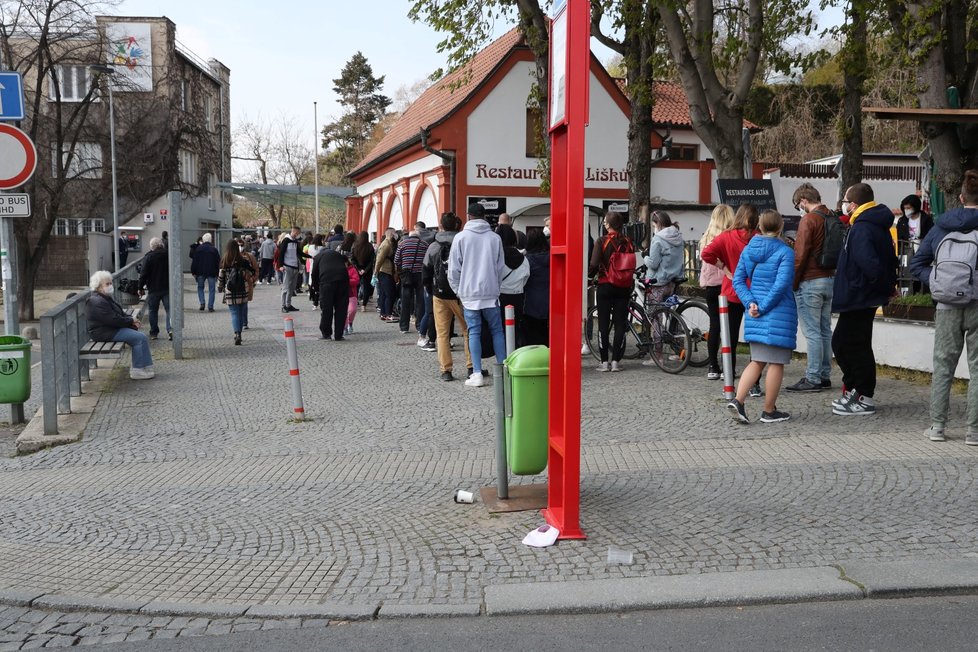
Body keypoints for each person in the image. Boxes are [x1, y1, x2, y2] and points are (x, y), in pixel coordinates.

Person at [910, 170, 978, 444]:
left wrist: (938, 282)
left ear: (961, 197)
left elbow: (917, 265)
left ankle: (937, 426)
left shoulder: (941, 226)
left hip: (947, 304)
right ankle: (974, 431)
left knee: (943, 366)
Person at [831, 182, 899, 416]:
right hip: (860, 295)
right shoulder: (868, 224)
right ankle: (854, 388)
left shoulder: (862, 227)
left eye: (846, 201)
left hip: (859, 296)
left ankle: (863, 394)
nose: (843, 205)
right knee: (844, 343)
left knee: (851, 345)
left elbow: (869, 263)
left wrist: (875, 286)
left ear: (854, 204)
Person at [726, 210, 797, 424]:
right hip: (778, 313)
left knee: (757, 360)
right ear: (780, 226)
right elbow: (781, 285)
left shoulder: (749, 250)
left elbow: (737, 281)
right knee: (776, 362)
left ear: (760, 226)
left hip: (755, 312)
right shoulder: (785, 252)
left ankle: (738, 400)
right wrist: (763, 307)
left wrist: (751, 303)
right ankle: (769, 410)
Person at [448, 202, 507, 387]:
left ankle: (477, 373)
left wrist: (459, 290)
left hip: (469, 294)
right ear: (484, 216)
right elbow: (500, 267)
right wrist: (496, 287)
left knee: (473, 332)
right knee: (497, 331)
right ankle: (504, 369)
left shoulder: (461, 238)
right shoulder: (494, 238)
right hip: (491, 293)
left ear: (469, 216)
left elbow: (454, 269)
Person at [785, 183, 835, 393]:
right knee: (824, 330)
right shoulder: (830, 216)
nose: (799, 208)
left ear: (804, 201)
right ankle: (824, 374)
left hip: (810, 280)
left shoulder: (809, 220)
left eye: (798, 204)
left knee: (812, 332)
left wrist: (793, 283)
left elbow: (800, 255)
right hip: (828, 279)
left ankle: (813, 377)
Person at [700, 204, 759, 380]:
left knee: (730, 336)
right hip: (754, 292)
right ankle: (754, 381)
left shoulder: (726, 237)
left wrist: (724, 267)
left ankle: (729, 372)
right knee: (755, 338)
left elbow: (706, 254)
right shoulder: (758, 238)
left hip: (732, 290)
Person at [423, 212, 472, 381]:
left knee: (442, 333)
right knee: (468, 331)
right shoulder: (463, 243)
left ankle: (446, 370)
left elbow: (426, 271)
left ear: (441, 226)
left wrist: (432, 290)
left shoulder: (434, 245)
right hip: (461, 295)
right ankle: (471, 367)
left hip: (440, 294)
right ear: (458, 225)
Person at [588, 211, 636, 372]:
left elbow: (594, 264)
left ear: (608, 224)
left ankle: (604, 362)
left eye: (604, 222)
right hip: (623, 286)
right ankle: (616, 361)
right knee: (620, 324)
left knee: (603, 323)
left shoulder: (601, 241)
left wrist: (589, 277)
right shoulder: (628, 241)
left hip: (605, 285)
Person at [85, 270, 154, 379]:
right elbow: (112, 319)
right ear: (98, 286)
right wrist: (130, 321)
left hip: (109, 329)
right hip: (103, 332)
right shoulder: (96, 301)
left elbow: (118, 314)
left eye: (110, 283)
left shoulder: (103, 297)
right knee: (139, 338)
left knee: (140, 337)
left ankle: (146, 367)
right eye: (107, 284)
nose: (110, 286)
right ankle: (138, 370)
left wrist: (131, 320)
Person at [698, 204, 734, 380]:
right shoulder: (729, 238)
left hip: (712, 287)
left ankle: (713, 366)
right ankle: (728, 366)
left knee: (715, 326)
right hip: (728, 285)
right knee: (730, 327)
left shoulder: (706, 238)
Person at [496, 224, 530, 348]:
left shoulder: (496, 257)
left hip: (500, 297)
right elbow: (526, 277)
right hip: (518, 296)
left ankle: (503, 355)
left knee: (500, 329)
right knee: (515, 327)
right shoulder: (524, 259)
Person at [217, 240, 255, 345]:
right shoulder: (243, 260)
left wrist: (220, 287)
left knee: (234, 313)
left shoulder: (224, 261)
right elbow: (252, 271)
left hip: (230, 290)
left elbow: (221, 276)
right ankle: (240, 331)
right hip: (243, 289)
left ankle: (237, 334)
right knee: (241, 311)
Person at [394, 223, 429, 339]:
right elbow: (427, 261)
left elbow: (396, 260)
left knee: (405, 300)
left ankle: (404, 326)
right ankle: (419, 325)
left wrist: (402, 269)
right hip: (420, 275)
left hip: (406, 275)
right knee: (420, 301)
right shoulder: (424, 244)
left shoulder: (402, 244)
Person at [643, 210, 685, 302]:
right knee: (667, 310)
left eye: (654, 226)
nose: (654, 229)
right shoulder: (678, 236)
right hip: (673, 280)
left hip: (658, 281)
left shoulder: (658, 239)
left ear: (658, 224)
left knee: (653, 314)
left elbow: (653, 264)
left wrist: (645, 257)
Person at [311, 243, 349, 341]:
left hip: (326, 283)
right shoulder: (338, 255)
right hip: (343, 281)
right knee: (341, 309)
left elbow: (314, 274)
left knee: (327, 309)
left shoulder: (318, 256)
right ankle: (338, 335)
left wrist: (316, 289)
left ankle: (326, 333)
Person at [137, 237, 171, 341]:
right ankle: (171, 330)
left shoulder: (149, 257)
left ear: (152, 247)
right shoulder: (169, 255)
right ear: (162, 245)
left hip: (153, 288)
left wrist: (140, 287)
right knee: (169, 310)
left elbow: (143, 274)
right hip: (167, 287)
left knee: (152, 311)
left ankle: (154, 333)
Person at [522, 229, 550, 346]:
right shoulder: (552, 258)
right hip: (550, 303)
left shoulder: (527, 261)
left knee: (532, 338)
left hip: (530, 304)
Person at [277, 226, 306, 313]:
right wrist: (281, 265)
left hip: (294, 267)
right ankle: (283, 306)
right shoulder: (286, 240)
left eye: (298, 234)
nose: (297, 235)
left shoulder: (295, 241)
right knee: (286, 287)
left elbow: (299, 253)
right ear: (294, 232)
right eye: (297, 233)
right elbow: (281, 254)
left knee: (291, 288)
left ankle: (288, 304)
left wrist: (310, 257)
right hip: (288, 266)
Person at [190, 232, 220, 312]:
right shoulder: (214, 249)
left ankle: (202, 303)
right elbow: (218, 262)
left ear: (203, 240)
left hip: (200, 272)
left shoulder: (198, 249)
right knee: (212, 289)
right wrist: (218, 273)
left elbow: (195, 261)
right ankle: (210, 306)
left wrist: (193, 272)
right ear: (211, 240)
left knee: (200, 287)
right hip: (211, 272)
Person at [375, 228, 398, 322]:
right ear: (391, 234)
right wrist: (375, 271)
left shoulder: (388, 243)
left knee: (384, 294)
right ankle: (388, 314)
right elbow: (379, 259)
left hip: (385, 271)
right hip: (385, 271)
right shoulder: (386, 244)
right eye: (395, 233)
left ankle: (383, 314)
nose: (396, 235)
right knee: (389, 294)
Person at [238, 237, 260, 330]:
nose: (240, 247)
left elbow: (256, 269)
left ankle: (244, 323)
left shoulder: (249, 256)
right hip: (234, 284)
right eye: (238, 245)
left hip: (246, 283)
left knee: (244, 304)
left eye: (241, 245)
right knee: (236, 306)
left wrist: (252, 279)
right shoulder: (231, 256)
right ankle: (238, 324)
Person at [352, 231, 376, 311]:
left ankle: (355, 303)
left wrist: (358, 269)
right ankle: (364, 305)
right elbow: (372, 260)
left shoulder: (355, 245)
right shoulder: (370, 246)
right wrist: (365, 270)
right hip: (367, 270)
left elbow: (353, 259)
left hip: (357, 269)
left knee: (356, 286)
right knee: (366, 287)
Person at [344, 253, 361, 335]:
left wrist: (347, 281)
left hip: (352, 293)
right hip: (342, 294)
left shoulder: (352, 269)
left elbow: (356, 280)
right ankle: (345, 327)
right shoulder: (339, 269)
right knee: (343, 311)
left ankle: (350, 323)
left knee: (352, 310)